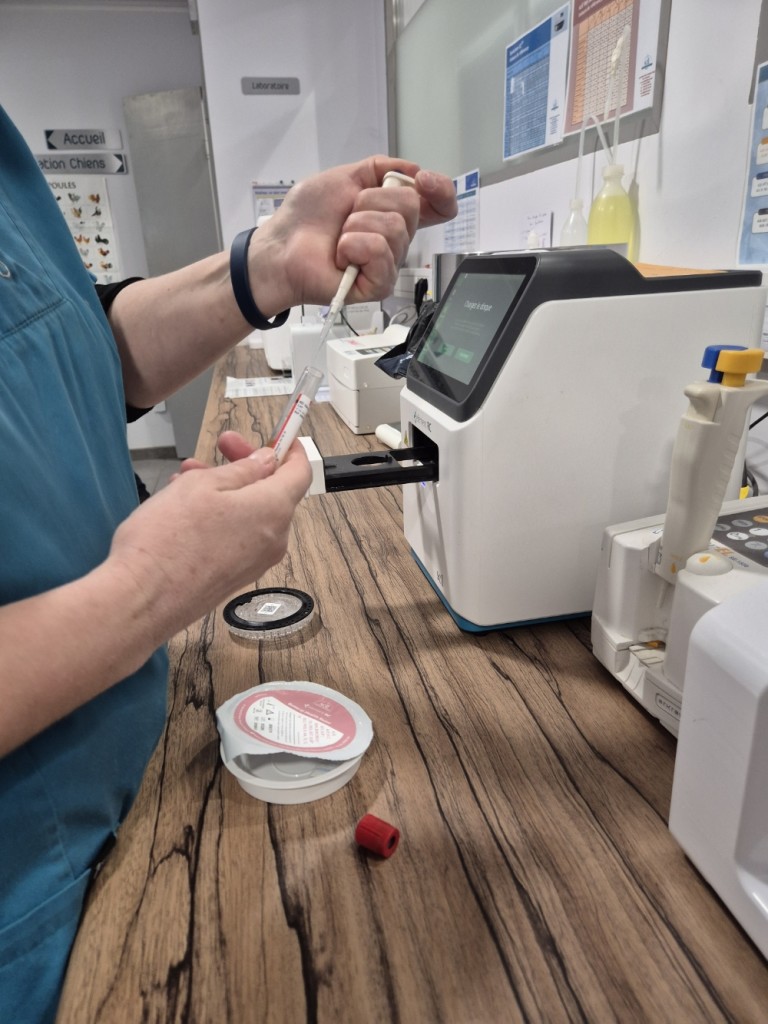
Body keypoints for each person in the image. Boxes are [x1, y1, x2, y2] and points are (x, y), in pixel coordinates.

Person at [0, 103, 457, 1023]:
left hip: (146, 762)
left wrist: (269, 261)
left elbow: (62, 352)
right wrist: (144, 594)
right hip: (39, 921)